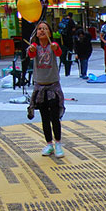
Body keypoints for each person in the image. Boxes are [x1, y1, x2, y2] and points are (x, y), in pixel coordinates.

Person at [26, 21, 66, 158]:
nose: (42, 31)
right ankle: (49, 144)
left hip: (53, 86)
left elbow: (59, 53)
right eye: (39, 29)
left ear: (50, 32)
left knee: (55, 117)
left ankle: (58, 144)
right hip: (40, 87)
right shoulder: (34, 47)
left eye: (45, 29)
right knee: (44, 118)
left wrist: (55, 48)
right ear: (36, 33)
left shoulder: (53, 46)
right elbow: (30, 54)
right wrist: (31, 49)